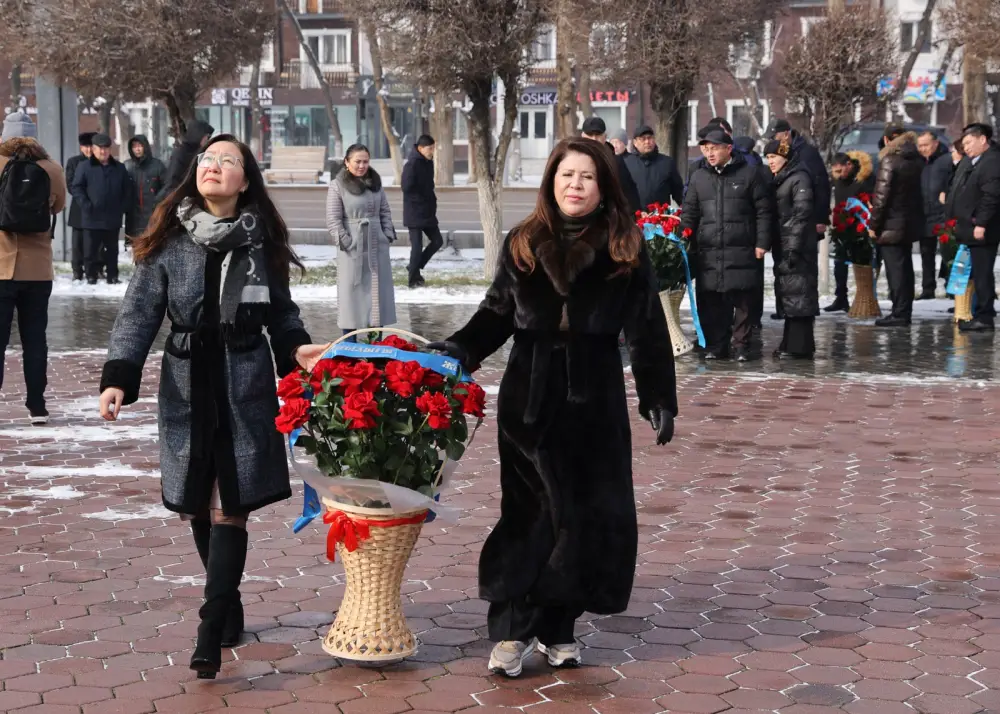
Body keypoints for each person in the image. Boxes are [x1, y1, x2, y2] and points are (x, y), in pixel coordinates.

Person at [426, 138, 676, 677]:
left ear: (603, 185)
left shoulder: (624, 246)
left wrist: (657, 397)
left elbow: (648, 328)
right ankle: (511, 632)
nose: (575, 186)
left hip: (596, 399)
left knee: (586, 519)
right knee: (530, 515)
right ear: (551, 181)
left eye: (587, 177)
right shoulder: (523, 241)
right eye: (567, 175)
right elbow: (495, 313)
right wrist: (460, 349)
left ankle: (559, 627)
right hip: (530, 399)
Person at [97, 134, 328, 679]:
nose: (216, 167)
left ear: (245, 180)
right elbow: (138, 314)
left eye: (230, 161)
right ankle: (227, 603)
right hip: (185, 385)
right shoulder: (168, 239)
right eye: (209, 159)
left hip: (243, 384)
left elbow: (281, 314)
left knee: (231, 504)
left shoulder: (260, 242)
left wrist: (298, 353)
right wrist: (119, 376)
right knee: (198, 504)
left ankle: (210, 626)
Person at [683, 128, 774, 362]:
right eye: (706, 149)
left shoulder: (750, 174)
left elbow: (764, 211)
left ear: (729, 149)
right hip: (709, 249)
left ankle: (741, 345)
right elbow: (690, 213)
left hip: (742, 246)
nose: (709, 154)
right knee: (713, 301)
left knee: (743, 300)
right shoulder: (699, 177)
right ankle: (716, 346)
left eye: (714, 148)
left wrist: (762, 242)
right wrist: (684, 238)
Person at [0, 111, 66, 425]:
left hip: (0, 268)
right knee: (35, 339)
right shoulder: (51, 168)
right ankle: (37, 405)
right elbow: (57, 206)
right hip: (38, 271)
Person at [326, 144, 397, 338]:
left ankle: (377, 346)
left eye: (365, 161)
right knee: (352, 295)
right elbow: (333, 218)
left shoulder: (375, 183)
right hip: (352, 248)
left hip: (377, 245)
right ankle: (350, 344)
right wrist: (346, 241)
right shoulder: (338, 185)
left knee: (377, 295)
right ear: (347, 162)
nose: (362, 165)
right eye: (357, 161)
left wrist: (387, 234)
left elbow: (384, 210)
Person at [764, 139, 818, 358]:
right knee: (790, 293)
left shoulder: (798, 179)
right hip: (786, 245)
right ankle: (790, 343)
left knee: (799, 295)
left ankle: (799, 347)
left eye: (774, 157)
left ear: (786, 158)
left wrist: (793, 248)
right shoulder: (783, 179)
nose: (771, 162)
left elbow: (801, 215)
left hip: (797, 248)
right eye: (768, 158)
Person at [870, 125, 924, 327]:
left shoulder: (890, 160)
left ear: (886, 140)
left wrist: (874, 225)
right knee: (906, 269)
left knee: (896, 271)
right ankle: (904, 310)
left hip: (891, 225)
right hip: (909, 223)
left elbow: (881, 197)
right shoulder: (917, 160)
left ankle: (899, 313)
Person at [947, 123, 1000, 332]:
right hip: (968, 226)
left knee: (983, 272)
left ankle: (984, 316)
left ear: (982, 140)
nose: (966, 147)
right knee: (977, 272)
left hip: (982, 229)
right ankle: (980, 312)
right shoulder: (972, 162)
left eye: (969, 143)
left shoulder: (992, 162)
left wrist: (981, 223)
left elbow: (991, 197)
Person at [70, 133, 132, 285]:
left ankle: (112, 275)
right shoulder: (84, 167)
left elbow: (127, 190)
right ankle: (91, 276)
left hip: (112, 216)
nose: (103, 152)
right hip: (91, 216)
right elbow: (77, 187)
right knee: (90, 250)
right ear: (94, 149)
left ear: (110, 150)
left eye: (106, 148)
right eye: (100, 148)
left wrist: (121, 208)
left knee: (112, 250)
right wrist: (86, 205)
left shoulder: (119, 168)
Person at [825, 151, 874, 312]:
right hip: (842, 227)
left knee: (861, 265)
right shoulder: (838, 181)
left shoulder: (862, 180)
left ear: (849, 165)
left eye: (840, 171)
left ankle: (865, 298)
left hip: (860, 228)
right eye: (835, 172)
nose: (838, 175)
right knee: (839, 264)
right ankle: (841, 298)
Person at [767, 119, 832, 242]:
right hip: (784, 222)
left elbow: (821, 186)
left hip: (806, 222)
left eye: (774, 137)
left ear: (786, 134)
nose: (772, 142)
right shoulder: (778, 156)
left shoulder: (807, 154)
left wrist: (821, 218)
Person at [401, 134, 443, 288]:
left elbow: (429, 184)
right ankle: (413, 281)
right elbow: (406, 187)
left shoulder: (428, 162)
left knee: (437, 241)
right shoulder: (412, 164)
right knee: (417, 246)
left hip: (427, 212)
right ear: (420, 148)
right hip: (415, 211)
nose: (432, 151)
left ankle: (415, 266)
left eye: (433, 148)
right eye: (430, 148)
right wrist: (421, 197)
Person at [917, 131, 953, 299]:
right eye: (920, 145)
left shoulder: (947, 160)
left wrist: (946, 193)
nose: (922, 149)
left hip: (944, 213)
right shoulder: (919, 162)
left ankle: (951, 288)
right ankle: (927, 288)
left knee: (948, 253)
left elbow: (955, 180)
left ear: (935, 144)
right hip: (924, 213)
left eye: (926, 145)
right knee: (926, 254)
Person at [581, 116, 641, 214]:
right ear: (583, 136)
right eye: (590, 134)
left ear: (605, 137)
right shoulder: (574, 159)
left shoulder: (615, 161)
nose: (594, 139)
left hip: (608, 217)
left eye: (598, 134)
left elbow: (629, 192)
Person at [623, 125, 683, 211]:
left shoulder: (667, 163)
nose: (647, 142)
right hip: (634, 218)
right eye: (643, 139)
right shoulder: (626, 163)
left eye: (650, 138)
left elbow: (678, 192)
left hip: (660, 218)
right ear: (635, 142)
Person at [125, 135, 167, 241]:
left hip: (152, 213)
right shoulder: (127, 166)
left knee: (152, 244)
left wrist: (157, 200)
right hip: (133, 216)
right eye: (134, 147)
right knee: (136, 246)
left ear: (145, 147)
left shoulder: (157, 165)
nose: (137, 149)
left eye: (140, 146)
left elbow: (167, 186)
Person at [65, 132, 95, 281]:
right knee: (77, 242)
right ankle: (77, 269)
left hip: (97, 209)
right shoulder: (73, 162)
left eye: (90, 146)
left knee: (96, 241)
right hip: (78, 207)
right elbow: (70, 185)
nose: (88, 150)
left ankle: (96, 268)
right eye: (85, 146)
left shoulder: (101, 162)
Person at [161, 120, 214, 198]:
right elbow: (172, 182)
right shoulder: (181, 153)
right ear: (198, 136)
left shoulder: (203, 153)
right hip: (182, 199)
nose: (207, 140)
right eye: (207, 137)